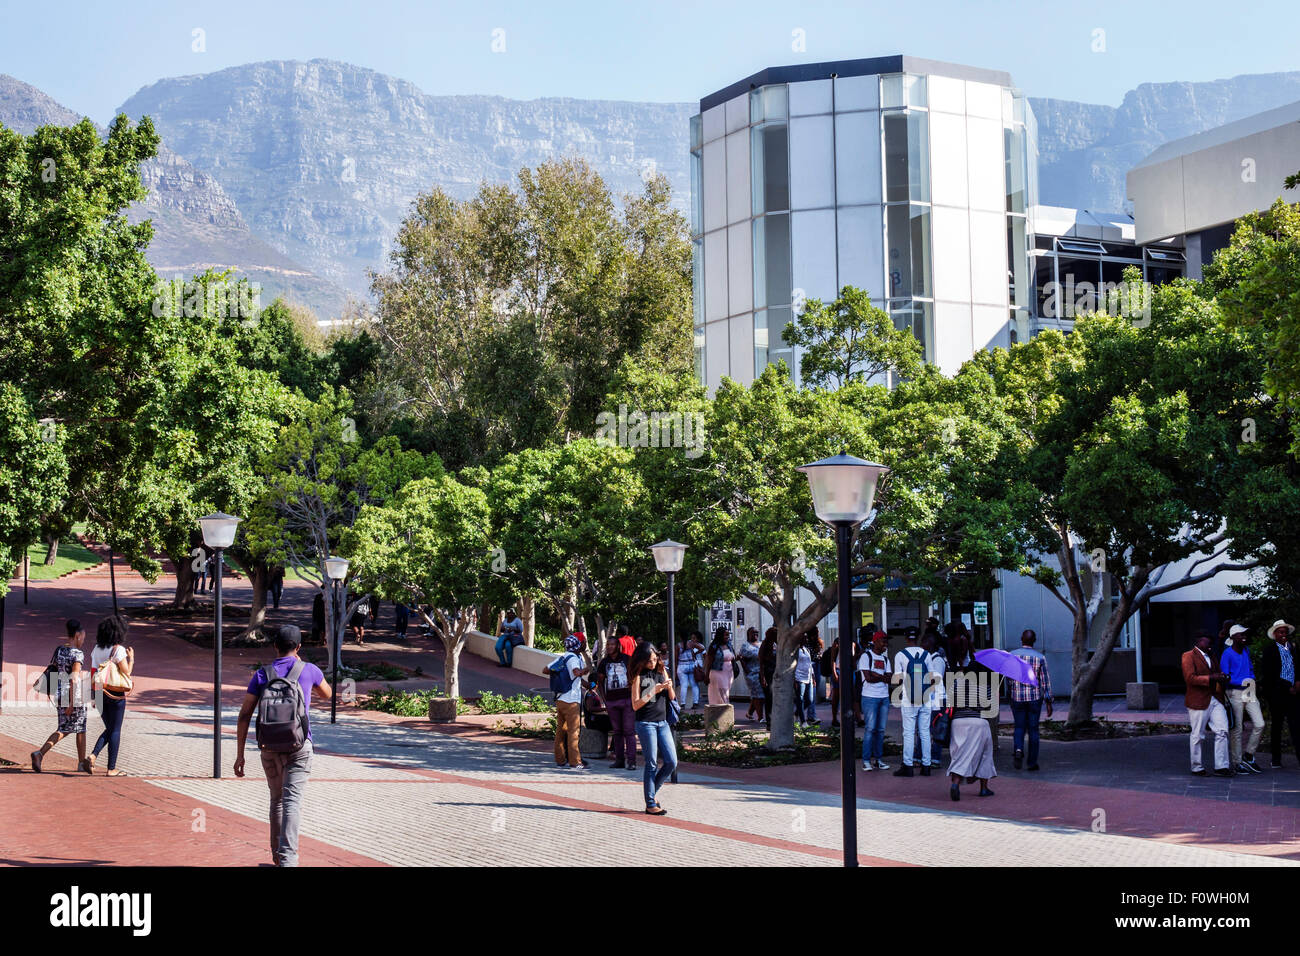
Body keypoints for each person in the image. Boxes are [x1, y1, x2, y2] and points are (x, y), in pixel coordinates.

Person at [234, 625, 332, 866]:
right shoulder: (308, 670)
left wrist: (240, 756)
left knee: (276, 800)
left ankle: (277, 857)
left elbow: (245, 714)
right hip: (299, 745)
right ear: (298, 647)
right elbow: (327, 694)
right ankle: (288, 860)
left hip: (268, 746)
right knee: (291, 801)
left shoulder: (261, 674)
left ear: (275, 646)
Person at [30, 620, 89, 773]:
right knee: (80, 727)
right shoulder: (78, 654)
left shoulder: (60, 650)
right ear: (77, 635)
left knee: (64, 727)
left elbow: (53, 669)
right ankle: (81, 763)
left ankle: (40, 754)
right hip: (72, 694)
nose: (83, 640)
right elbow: (74, 678)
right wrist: (72, 703)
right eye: (83, 637)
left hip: (59, 693)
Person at [630, 641, 677, 815]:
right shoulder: (638, 676)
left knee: (671, 762)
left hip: (662, 722)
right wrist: (654, 691)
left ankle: (651, 794)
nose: (653, 663)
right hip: (645, 723)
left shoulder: (661, 670)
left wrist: (669, 687)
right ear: (642, 660)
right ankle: (650, 804)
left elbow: (672, 698)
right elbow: (635, 705)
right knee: (651, 763)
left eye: (655, 659)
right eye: (650, 660)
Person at [87, 615, 134, 776]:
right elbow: (126, 673)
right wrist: (132, 659)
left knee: (110, 728)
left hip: (99, 691)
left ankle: (93, 755)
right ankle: (111, 768)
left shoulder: (96, 649)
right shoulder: (118, 650)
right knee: (115, 730)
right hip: (115, 693)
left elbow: (93, 672)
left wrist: (94, 696)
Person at [947, 654, 997, 800]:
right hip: (979, 722)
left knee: (960, 754)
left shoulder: (957, 682)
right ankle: (984, 788)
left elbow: (949, 701)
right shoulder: (985, 685)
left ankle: (955, 783)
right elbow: (990, 707)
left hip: (958, 722)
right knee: (985, 754)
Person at [1182, 631, 1232, 777]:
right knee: (1198, 735)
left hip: (1216, 698)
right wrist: (1211, 677)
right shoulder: (1188, 656)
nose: (1210, 645)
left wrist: (1222, 677)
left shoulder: (1212, 656)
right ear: (1199, 642)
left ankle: (1221, 766)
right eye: (1207, 642)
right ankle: (1196, 767)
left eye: (1211, 642)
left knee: (1222, 731)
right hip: (1198, 699)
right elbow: (1190, 678)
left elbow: (1217, 673)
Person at [1220, 624, 1264, 774]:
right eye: (1240, 634)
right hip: (1235, 692)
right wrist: (1241, 682)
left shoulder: (1246, 650)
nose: (1244, 636)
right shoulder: (1227, 654)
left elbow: (1250, 668)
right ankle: (1237, 762)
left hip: (1249, 690)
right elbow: (1224, 677)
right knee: (1237, 729)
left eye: (1245, 633)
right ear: (1232, 637)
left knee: (1260, 724)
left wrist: (1252, 678)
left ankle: (1248, 755)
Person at [1008, 629, 1053, 771]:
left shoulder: (1012, 656)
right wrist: (1048, 701)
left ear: (1021, 639)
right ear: (1034, 640)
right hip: (1034, 698)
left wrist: (1011, 691)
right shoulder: (1040, 658)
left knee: (1019, 726)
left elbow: (1009, 678)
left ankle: (1019, 749)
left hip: (1017, 697)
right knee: (1033, 729)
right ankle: (1032, 763)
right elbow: (1045, 681)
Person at [1258, 619, 1299, 768]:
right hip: (1277, 694)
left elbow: (1297, 665)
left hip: (1293, 693)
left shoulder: (1293, 647)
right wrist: (1285, 686)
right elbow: (1269, 674)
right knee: (1277, 726)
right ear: (1275, 634)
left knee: (1296, 726)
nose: (1283, 635)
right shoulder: (1270, 649)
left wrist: (1297, 682)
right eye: (1280, 632)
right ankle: (1276, 759)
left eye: (1285, 632)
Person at [546, 635, 590, 769]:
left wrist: (586, 684)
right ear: (578, 645)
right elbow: (576, 672)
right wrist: (585, 670)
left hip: (560, 699)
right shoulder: (574, 659)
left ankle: (560, 759)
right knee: (573, 732)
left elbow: (545, 669)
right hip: (571, 701)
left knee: (561, 731)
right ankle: (575, 762)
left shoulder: (562, 657)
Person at [893, 626, 931, 777]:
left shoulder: (900, 655)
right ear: (918, 637)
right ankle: (926, 766)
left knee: (908, 733)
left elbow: (897, 679)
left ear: (906, 637)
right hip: (926, 698)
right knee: (925, 732)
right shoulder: (927, 655)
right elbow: (932, 676)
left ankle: (908, 766)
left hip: (909, 699)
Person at [596, 635, 637, 769]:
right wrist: (604, 700)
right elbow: (600, 682)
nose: (609, 647)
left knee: (629, 731)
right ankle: (619, 760)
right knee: (617, 731)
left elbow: (635, 676)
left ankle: (631, 761)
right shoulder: (604, 663)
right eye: (608, 645)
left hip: (626, 700)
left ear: (618, 646)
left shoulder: (627, 659)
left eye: (612, 645)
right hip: (612, 701)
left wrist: (633, 693)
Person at [858, 630, 892, 770]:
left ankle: (878, 759)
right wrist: (881, 676)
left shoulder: (885, 659)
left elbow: (890, 677)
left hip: (884, 697)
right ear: (876, 641)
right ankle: (866, 760)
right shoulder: (866, 656)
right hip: (870, 697)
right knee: (870, 729)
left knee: (881, 730)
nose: (886, 643)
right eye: (883, 640)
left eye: (886, 641)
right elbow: (868, 678)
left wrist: (875, 674)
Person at [921, 631, 946, 767]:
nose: (921, 645)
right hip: (929, 699)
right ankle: (921, 756)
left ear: (931, 644)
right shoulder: (929, 659)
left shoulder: (937, 661)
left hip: (937, 700)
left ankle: (935, 758)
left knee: (936, 730)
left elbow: (934, 681)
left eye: (924, 642)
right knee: (925, 728)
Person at [705, 626, 736, 706]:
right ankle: (723, 710)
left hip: (729, 672)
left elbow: (732, 657)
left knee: (726, 691)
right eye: (725, 635)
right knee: (722, 691)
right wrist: (706, 675)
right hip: (717, 672)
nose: (727, 637)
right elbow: (709, 662)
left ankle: (723, 710)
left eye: (728, 635)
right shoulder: (714, 647)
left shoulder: (729, 645)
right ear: (720, 635)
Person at [676, 629, 706, 710]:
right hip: (691, 666)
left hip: (682, 665)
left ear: (680, 637)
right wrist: (696, 653)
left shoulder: (679, 645)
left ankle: (682, 704)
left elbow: (675, 658)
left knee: (683, 685)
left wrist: (675, 669)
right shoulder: (691, 644)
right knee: (694, 685)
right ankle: (695, 703)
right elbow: (702, 648)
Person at [794, 631, 819, 726]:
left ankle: (796, 713)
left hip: (808, 677)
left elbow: (810, 664)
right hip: (799, 678)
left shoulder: (806, 649)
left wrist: (813, 677)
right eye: (804, 637)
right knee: (800, 699)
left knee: (809, 700)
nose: (806, 639)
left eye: (806, 638)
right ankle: (803, 721)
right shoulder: (796, 650)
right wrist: (794, 680)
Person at [740, 627, 763, 722]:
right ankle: (761, 717)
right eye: (753, 633)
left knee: (757, 695)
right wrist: (748, 671)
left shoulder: (761, 644)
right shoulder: (745, 646)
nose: (755, 634)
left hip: (763, 672)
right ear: (748, 634)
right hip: (752, 674)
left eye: (757, 632)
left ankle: (749, 713)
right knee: (758, 695)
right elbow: (742, 658)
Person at [758, 627, 778, 730]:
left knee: (775, 698)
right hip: (767, 674)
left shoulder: (777, 644)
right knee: (769, 698)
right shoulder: (765, 645)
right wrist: (763, 677)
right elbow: (761, 662)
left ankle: (775, 720)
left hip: (775, 674)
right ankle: (769, 722)